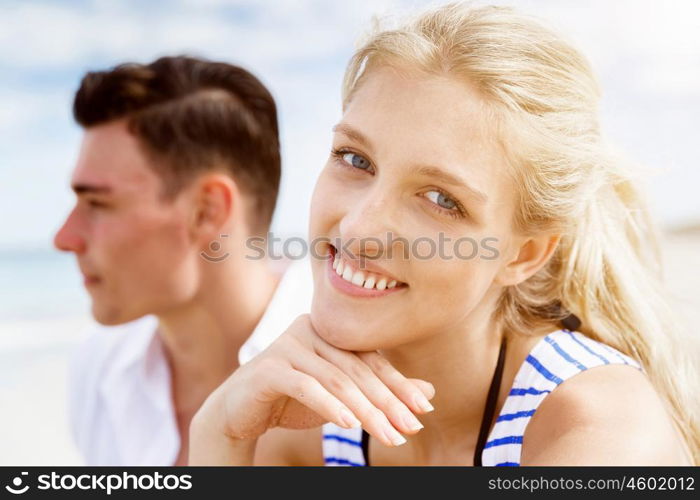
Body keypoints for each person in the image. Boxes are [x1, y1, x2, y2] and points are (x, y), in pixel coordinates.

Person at [188, 4, 698, 466]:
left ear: (525, 253)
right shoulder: (310, 426)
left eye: (441, 199)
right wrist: (219, 432)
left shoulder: (600, 434)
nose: (359, 226)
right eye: (355, 159)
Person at [53, 56, 313, 465]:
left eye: (98, 204)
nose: (64, 238)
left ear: (207, 211)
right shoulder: (100, 367)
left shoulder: (355, 391)